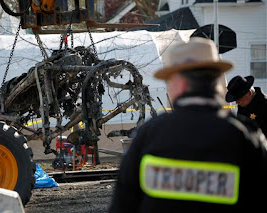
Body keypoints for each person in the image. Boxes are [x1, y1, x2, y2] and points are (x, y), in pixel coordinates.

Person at [108, 37, 267, 212]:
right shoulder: (247, 137)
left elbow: (122, 206)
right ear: (218, 84)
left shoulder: (148, 135)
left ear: (179, 83)